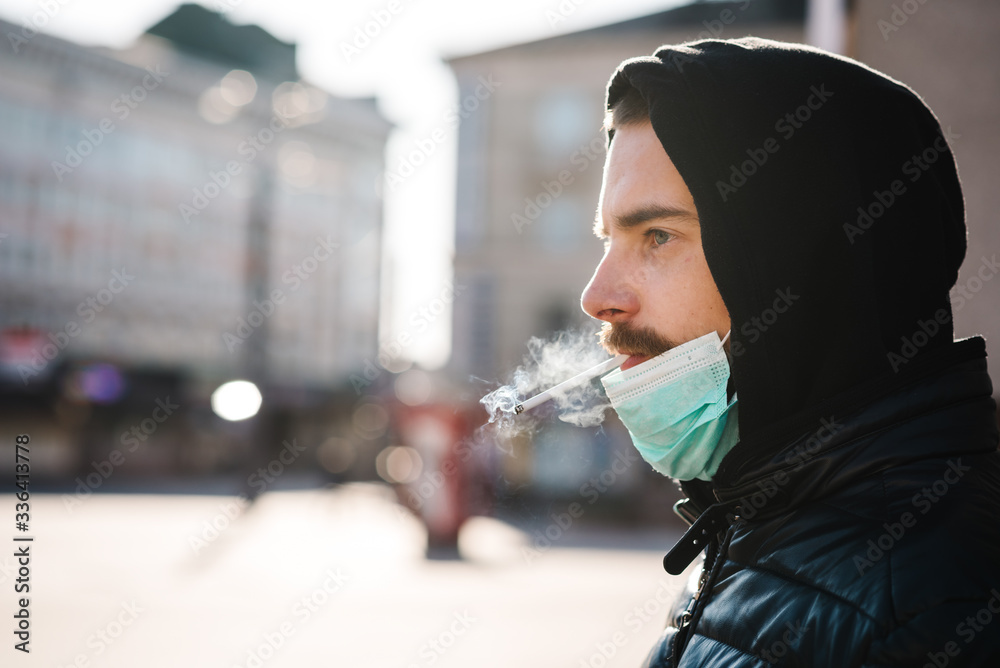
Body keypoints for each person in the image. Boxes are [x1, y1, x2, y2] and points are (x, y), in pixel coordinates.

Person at [581, 36, 1000, 666]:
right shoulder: (759, 525)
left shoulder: (926, 607)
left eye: (658, 235)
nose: (597, 296)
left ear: (805, 266)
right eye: (608, 239)